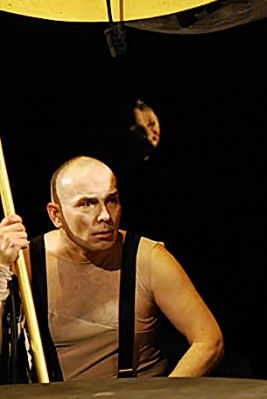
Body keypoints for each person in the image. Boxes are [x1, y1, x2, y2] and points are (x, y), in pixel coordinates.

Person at [1, 156, 224, 381]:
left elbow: (208, 341)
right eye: (87, 204)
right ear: (56, 215)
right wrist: (1, 270)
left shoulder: (147, 259)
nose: (105, 216)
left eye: (112, 200)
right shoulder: (27, 262)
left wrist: (165, 397)